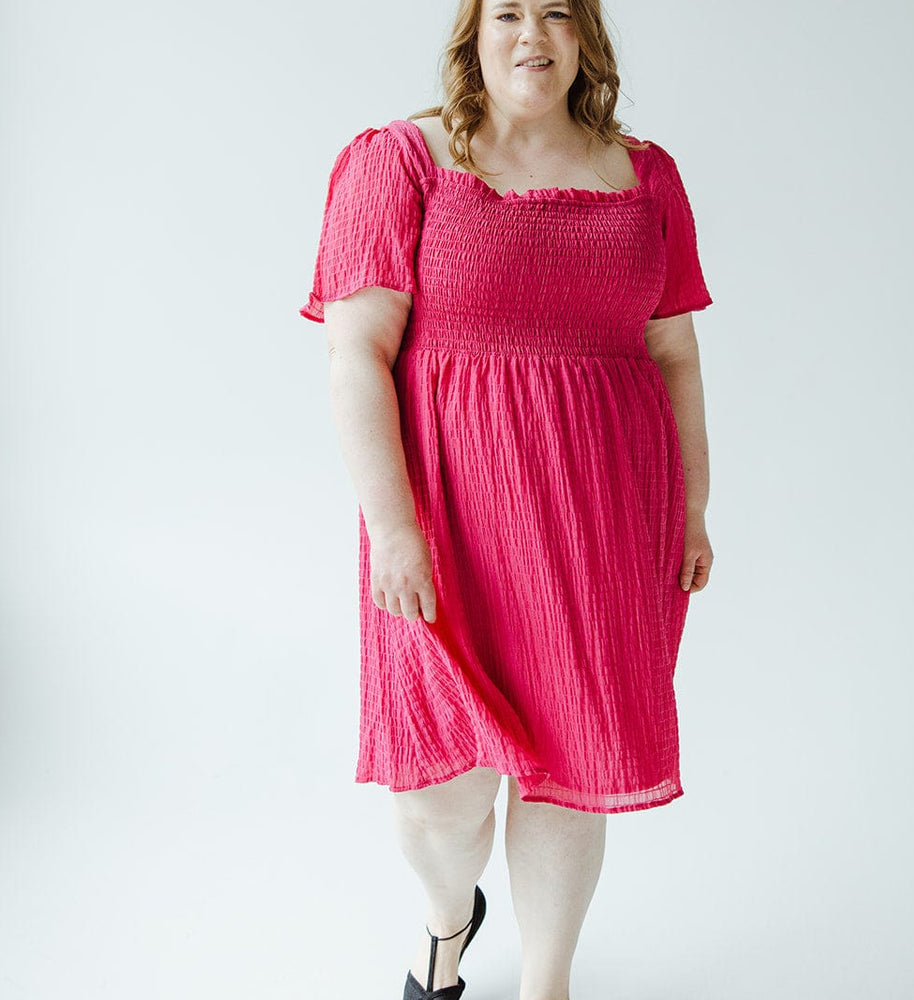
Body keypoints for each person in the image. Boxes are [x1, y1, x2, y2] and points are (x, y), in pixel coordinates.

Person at [298, 1, 715, 997]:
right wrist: (393, 525)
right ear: (472, 35)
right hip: (447, 522)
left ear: (585, 40)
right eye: (509, 12)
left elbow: (674, 354)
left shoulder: (645, 174)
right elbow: (356, 350)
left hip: (605, 522)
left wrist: (693, 508)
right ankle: (448, 920)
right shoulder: (397, 161)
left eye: (558, 13)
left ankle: (547, 980)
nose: (535, 32)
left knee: (573, 767)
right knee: (441, 785)